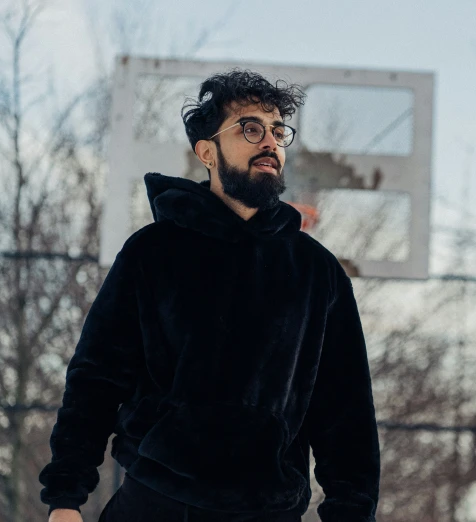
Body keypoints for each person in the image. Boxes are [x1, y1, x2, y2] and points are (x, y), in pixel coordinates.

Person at [39, 70, 381, 522]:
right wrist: (66, 497)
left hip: (268, 509)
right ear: (206, 151)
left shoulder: (316, 270)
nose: (271, 142)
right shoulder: (153, 251)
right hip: (155, 503)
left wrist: (351, 512)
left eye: (278, 131)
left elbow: (345, 409)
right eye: (251, 128)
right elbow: (96, 377)